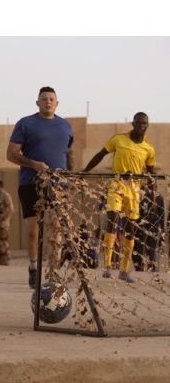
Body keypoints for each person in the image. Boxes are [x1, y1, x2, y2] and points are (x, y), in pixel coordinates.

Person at [6, 86, 74, 287]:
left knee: (56, 228)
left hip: (58, 185)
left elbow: (69, 154)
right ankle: (33, 267)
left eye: (51, 99)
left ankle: (53, 272)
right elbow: (11, 154)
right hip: (30, 184)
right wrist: (34, 164)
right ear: (37, 102)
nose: (48, 102)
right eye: (44, 99)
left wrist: (72, 176)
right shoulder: (26, 123)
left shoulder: (65, 126)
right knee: (34, 231)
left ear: (57, 103)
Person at [84, 112, 156, 282]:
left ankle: (124, 270)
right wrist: (85, 171)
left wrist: (152, 196)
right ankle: (107, 266)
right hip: (116, 185)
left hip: (134, 191)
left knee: (130, 229)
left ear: (147, 125)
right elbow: (101, 154)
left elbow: (151, 176)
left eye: (144, 123)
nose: (141, 125)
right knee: (113, 218)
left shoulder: (149, 149)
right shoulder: (118, 139)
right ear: (133, 123)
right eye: (138, 122)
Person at [0, 180, 14, 265]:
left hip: (3, 223)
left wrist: (5, 218)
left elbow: (11, 208)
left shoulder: (5, 195)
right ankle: (2, 260)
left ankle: (5, 260)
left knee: (3, 241)